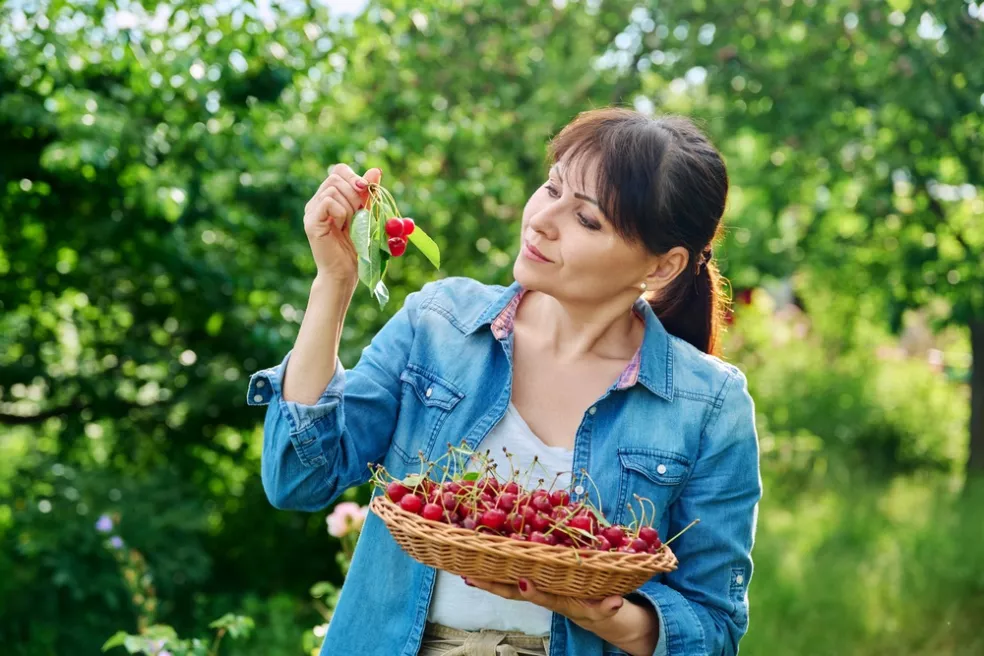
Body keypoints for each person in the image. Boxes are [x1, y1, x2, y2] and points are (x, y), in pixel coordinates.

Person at [247, 107, 762, 656]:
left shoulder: (709, 403)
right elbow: (298, 478)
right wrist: (334, 279)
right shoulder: (440, 324)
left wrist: (608, 617)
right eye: (551, 187)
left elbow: (714, 626)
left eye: (587, 220)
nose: (543, 219)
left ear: (661, 267)